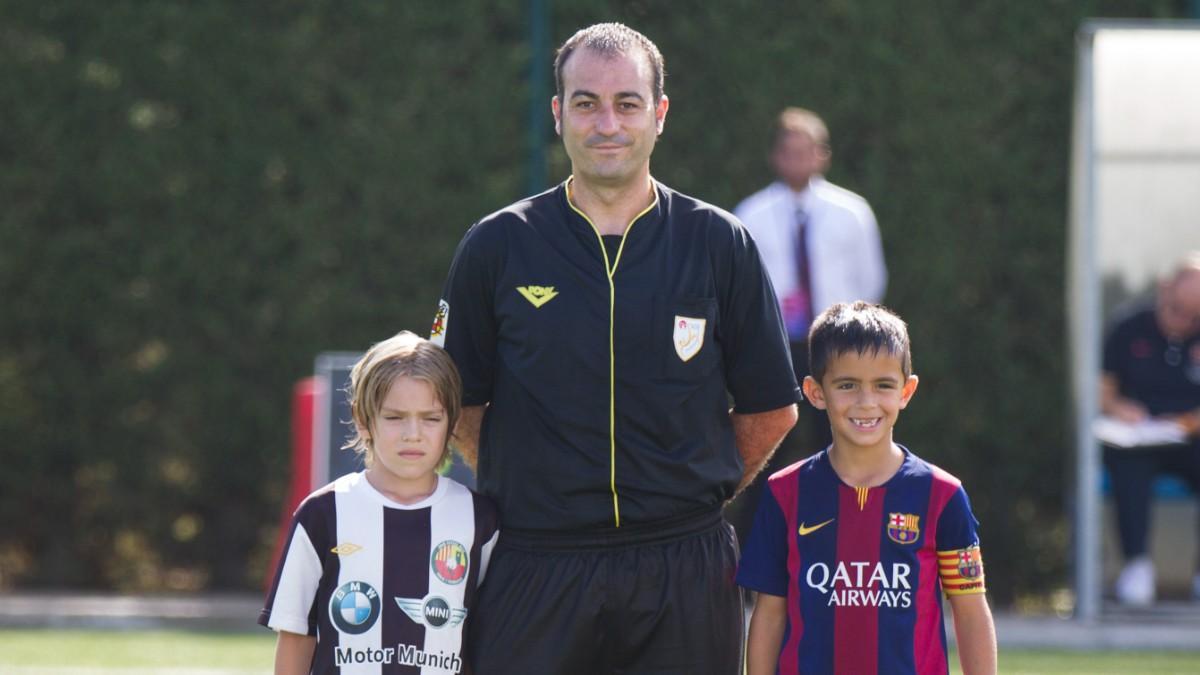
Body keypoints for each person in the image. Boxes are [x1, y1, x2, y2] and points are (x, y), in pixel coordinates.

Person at [431, 22, 799, 675]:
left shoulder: (720, 244)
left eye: (627, 103)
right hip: (535, 560)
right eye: (586, 102)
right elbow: (457, 402)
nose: (607, 122)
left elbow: (772, 407)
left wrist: (685, 491)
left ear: (659, 114)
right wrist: (538, 486)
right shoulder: (496, 245)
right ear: (558, 113)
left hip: (682, 567)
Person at [737, 302, 997, 675]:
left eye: (883, 385)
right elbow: (769, 614)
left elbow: (970, 610)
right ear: (815, 392)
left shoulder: (942, 496)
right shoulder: (784, 493)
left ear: (906, 391)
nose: (866, 402)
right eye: (847, 385)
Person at [260, 331, 499, 674]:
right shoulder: (323, 514)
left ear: (453, 423)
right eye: (394, 417)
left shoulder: (481, 520)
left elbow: (492, 637)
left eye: (430, 418)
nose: (412, 433)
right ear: (362, 419)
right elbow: (297, 636)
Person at [729, 108, 887, 542]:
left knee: (844, 446)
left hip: (838, 349)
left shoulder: (851, 212)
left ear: (822, 155)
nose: (798, 160)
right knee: (766, 451)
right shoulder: (751, 214)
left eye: (807, 151)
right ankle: (756, 553)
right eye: (789, 152)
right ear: (776, 157)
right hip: (777, 346)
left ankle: (847, 543)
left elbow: (871, 279)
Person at [1101, 253, 1200, 605]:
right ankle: (1137, 568)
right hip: (1137, 440)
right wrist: (1120, 409)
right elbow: (1103, 392)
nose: (1184, 322)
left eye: (1194, 316)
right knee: (1128, 466)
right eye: (1178, 310)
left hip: (1189, 440)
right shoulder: (1127, 328)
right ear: (1165, 290)